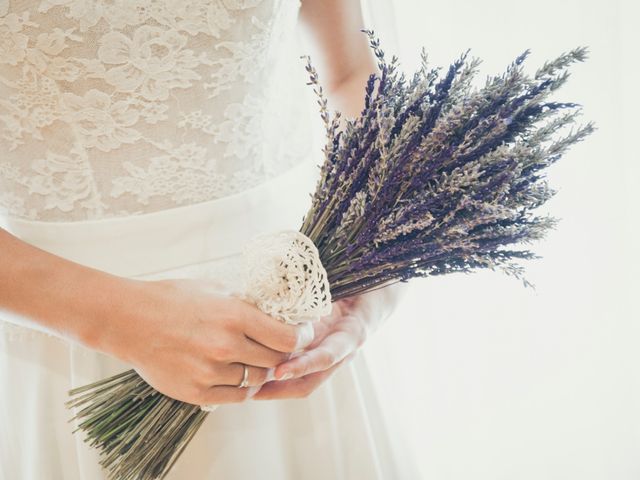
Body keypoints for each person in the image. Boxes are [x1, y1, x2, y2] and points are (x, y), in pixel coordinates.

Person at [0, 0, 421, 478]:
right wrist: (115, 319)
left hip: (300, 320)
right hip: (75, 335)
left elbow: (350, 73)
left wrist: (378, 259)